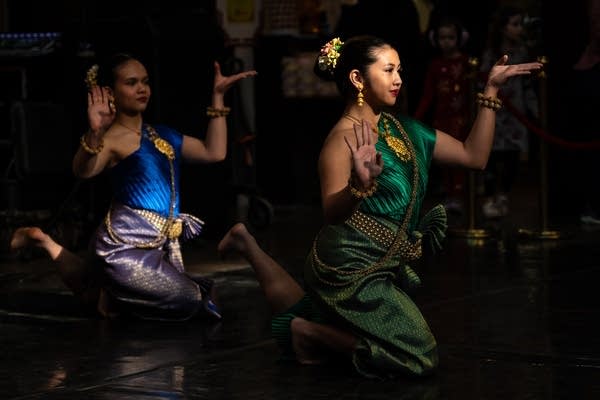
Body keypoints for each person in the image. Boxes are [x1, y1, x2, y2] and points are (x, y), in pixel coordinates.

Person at [218, 35, 542, 378]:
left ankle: (250, 248)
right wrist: (359, 185)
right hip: (348, 266)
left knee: (310, 309)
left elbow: (473, 157)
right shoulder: (341, 140)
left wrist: (490, 91)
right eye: (388, 70)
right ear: (357, 78)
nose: (398, 79)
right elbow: (331, 212)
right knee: (419, 356)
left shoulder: (406, 129)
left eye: (399, 70)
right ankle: (309, 333)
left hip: (384, 263)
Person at [10, 53, 257, 321]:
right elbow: (83, 171)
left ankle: (45, 243)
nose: (142, 88)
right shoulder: (113, 139)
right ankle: (110, 291)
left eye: (145, 81)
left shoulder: (163, 134)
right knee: (194, 299)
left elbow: (214, 152)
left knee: (205, 293)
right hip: (121, 247)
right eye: (131, 82)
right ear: (111, 92)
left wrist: (218, 97)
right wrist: (95, 133)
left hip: (155, 248)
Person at [479, 5, 539, 219]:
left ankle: (503, 194)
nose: (518, 29)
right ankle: (489, 196)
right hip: (496, 111)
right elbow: (483, 81)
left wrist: (534, 111)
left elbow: (528, 85)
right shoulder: (491, 53)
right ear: (503, 28)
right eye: (514, 24)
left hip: (516, 113)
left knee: (513, 156)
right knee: (491, 156)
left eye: (520, 24)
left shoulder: (523, 53)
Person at [414, 16, 473, 214]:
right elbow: (428, 94)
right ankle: (450, 194)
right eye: (442, 38)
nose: (446, 42)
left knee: (459, 156)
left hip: (461, 118)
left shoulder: (466, 63)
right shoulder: (435, 65)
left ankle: (460, 194)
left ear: (459, 38)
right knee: (443, 157)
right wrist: (417, 117)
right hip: (442, 117)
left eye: (450, 37)